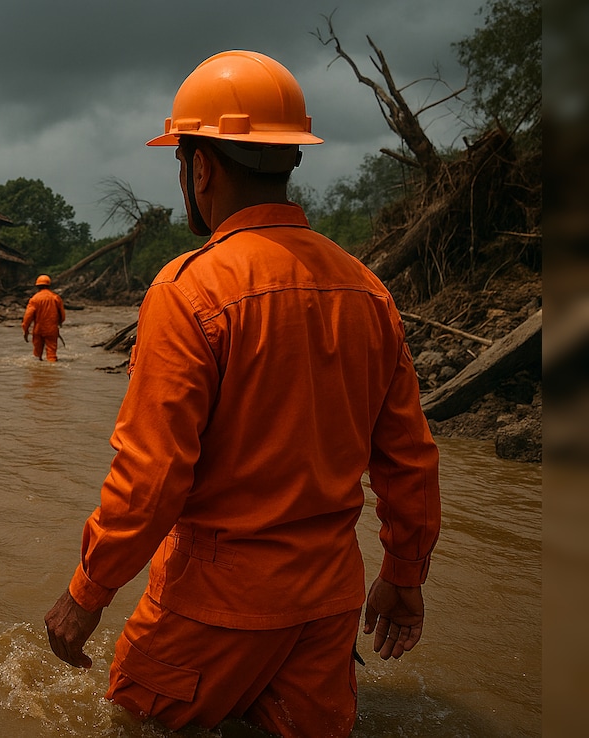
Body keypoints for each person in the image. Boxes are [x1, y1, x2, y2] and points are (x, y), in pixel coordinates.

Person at [44, 50, 441, 737]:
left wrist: (89, 591)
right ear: (288, 159)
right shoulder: (367, 290)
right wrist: (404, 575)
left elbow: (152, 476)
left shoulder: (188, 289)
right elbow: (408, 457)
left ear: (200, 167)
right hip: (327, 609)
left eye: (183, 165)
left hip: (212, 609)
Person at [22, 274, 66, 362]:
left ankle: (38, 373)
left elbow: (28, 316)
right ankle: (52, 371)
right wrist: (59, 323)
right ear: (49, 285)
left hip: (38, 329)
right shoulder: (55, 298)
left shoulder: (34, 299)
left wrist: (25, 330)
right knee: (51, 354)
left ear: (37, 286)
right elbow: (62, 315)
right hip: (51, 329)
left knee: (37, 355)